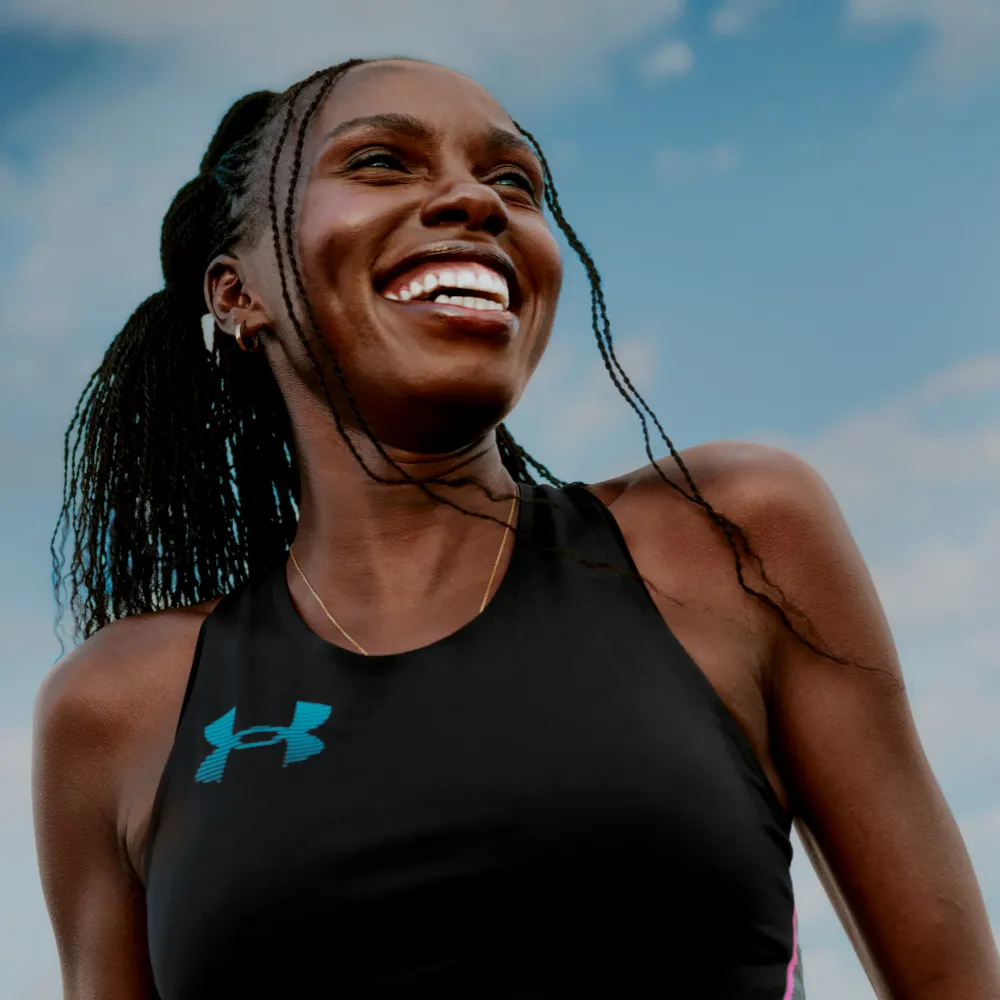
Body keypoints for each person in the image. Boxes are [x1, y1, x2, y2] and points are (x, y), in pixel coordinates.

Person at [32, 57, 1000, 1000]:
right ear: (237, 294)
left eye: (513, 181)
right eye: (382, 162)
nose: (475, 201)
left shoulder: (731, 539)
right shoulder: (122, 709)